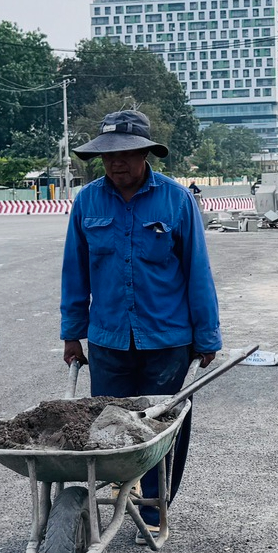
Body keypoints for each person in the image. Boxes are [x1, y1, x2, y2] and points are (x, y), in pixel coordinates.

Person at [60, 110, 221, 521]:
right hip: (108, 340)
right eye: (108, 157)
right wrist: (72, 334)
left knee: (161, 428)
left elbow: (197, 271)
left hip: (167, 341)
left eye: (127, 154)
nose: (117, 163)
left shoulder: (176, 200)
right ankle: (120, 499)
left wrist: (207, 336)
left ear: (147, 153)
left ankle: (154, 509)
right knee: (110, 426)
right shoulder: (88, 202)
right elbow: (75, 272)